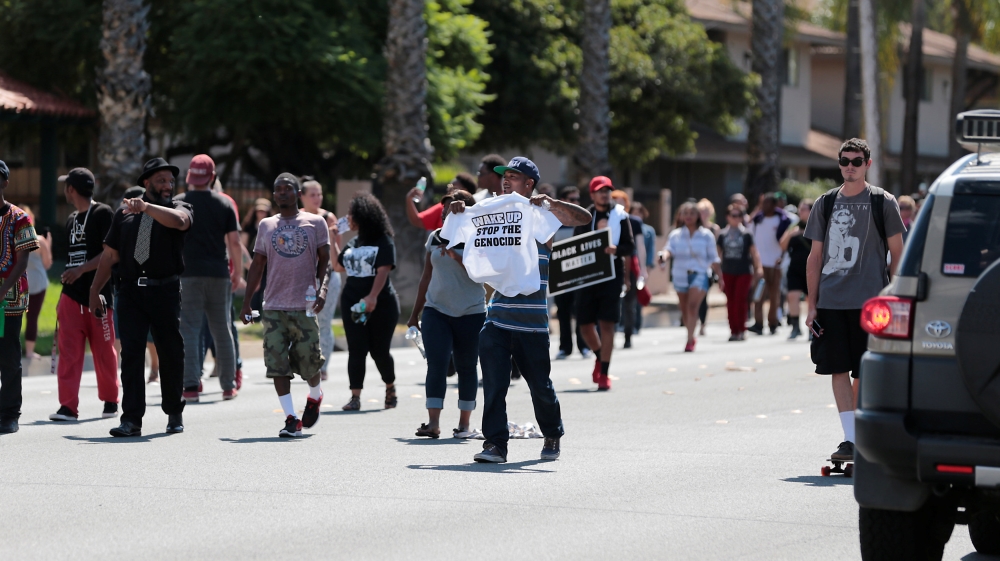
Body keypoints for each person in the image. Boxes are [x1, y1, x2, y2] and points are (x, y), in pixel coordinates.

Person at [442, 156, 590, 462]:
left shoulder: (540, 219)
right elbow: (457, 224)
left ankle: (552, 432)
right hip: (497, 319)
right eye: (504, 176)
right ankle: (495, 444)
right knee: (494, 386)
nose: (506, 180)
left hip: (532, 324)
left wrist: (549, 204)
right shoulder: (494, 213)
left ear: (529, 183)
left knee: (541, 387)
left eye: (514, 176)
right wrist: (455, 209)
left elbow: (583, 217)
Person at [804, 138, 905, 462]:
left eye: (856, 161)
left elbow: (898, 255)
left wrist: (894, 298)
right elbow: (815, 258)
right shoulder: (825, 202)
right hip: (832, 301)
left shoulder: (883, 201)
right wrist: (812, 304)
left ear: (868, 164)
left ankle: (858, 434)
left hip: (871, 303)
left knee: (863, 370)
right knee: (837, 368)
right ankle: (850, 438)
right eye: (844, 160)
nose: (849, 166)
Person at [89, 158, 193, 437]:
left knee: (170, 352)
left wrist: (147, 207)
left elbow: (181, 223)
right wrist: (94, 290)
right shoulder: (124, 213)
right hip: (131, 291)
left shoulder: (179, 207)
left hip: (165, 291)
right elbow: (111, 255)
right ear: (146, 183)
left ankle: (174, 412)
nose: (168, 186)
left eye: (171, 181)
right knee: (132, 355)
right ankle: (131, 419)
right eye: (161, 180)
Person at [241, 174, 330, 437]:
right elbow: (257, 264)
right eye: (277, 189)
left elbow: (325, 260)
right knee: (276, 363)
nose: (282, 193)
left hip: (304, 305)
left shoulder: (315, 222)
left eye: (287, 189)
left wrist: (321, 290)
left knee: (310, 363)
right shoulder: (267, 225)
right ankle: (292, 418)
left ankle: (315, 395)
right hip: (274, 305)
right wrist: (247, 302)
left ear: (297, 192)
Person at [407, 189, 485, 439]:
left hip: (471, 312)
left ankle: (464, 425)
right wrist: (414, 314)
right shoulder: (435, 238)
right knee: (436, 365)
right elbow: (426, 277)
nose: (446, 213)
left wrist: (456, 256)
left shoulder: (478, 237)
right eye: (444, 210)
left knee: (467, 366)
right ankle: (433, 423)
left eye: (452, 208)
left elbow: (483, 274)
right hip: (436, 311)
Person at [48, 168, 120, 422]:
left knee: (104, 351)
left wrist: (80, 270)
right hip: (71, 297)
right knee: (69, 353)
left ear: (71, 189)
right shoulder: (70, 219)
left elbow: (111, 254)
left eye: (66, 186)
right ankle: (68, 407)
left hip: (98, 295)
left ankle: (111, 400)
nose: (64, 190)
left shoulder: (103, 214)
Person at [173, 155, 242, 402]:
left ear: (190, 177)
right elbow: (234, 242)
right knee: (222, 328)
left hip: (188, 273)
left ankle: (191, 385)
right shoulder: (224, 204)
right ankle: (228, 385)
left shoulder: (178, 203)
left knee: (189, 328)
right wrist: (239, 273)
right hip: (218, 273)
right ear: (212, 177)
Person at [336, 193, 399, 411]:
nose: (348, 218)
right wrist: (334, 236)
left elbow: (383, 271)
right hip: (352, 301)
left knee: (379, 351)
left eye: (352, 215)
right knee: (356, 348)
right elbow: (338, 266)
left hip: (381, 303)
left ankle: (390, 386)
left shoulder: (384, 240)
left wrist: (372, 296)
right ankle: (355, 397)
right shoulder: (353, 242)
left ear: (363, 216)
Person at [572, 176, 634, 390]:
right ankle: (600, 356)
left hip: (611, 274)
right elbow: (575, 245)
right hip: (588, 275)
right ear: (592, 194)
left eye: (607, 190)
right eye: (600, 191)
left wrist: (617, 250)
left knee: (608, 323)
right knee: (585, 325)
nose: (604, 194)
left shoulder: (620, 215)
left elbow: (630, 246)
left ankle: (605, 372)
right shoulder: (583, 216)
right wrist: (595, 233)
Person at [0, 159, 40, 434]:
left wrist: (1, 292)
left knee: (9, 358)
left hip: (10, 301)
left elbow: (22, 261)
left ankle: (10, 413)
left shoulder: (19, 217)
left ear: (4, 182)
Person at [657, 202, 723, 352]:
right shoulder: (676, 234)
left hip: (699, 273)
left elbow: (714, 258)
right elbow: (668, 250)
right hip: (680, 275)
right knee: (685, 308)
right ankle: (691, 334)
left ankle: (689, 340)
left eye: (692, 213)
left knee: (693, 306)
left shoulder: (706, 235)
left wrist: (720, 277)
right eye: (685, 213)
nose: (688, 216)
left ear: (698, 216)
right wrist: (663, 257)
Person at [300, 178, 342, 382]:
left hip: (326, 277)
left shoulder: (328, 217)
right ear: (302, 196)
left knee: (324, 322)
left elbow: (337, 255)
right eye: (312, 194)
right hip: (302, 278)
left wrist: (332, 237)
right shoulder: (295, 217)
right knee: (303, 320)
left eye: (319, 194)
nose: (317, 198)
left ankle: (323, 366)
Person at [552, 186, 589, 360]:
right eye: (572, 200)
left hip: (580, 274)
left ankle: (584, 346)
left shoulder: (583, 221)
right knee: (563, 311)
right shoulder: (552, 222)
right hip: (559, 276)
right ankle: (565, 347)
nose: (576, 203)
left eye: (577, 200)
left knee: (581, 311)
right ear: (563, 201)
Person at [748, 193, 791, 335]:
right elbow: (749, 233)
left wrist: (782, 257)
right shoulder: (757, 220)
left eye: (767, 203)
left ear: (774, 205)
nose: (764, 206)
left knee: (774, 294)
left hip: (776, 262)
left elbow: (786, 242)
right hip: (760, 264)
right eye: (763, 203)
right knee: (759, 294)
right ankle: (758, 323)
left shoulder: (783, 220)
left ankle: (772, 322)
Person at [717, 205, 762, 341]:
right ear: (728, 217)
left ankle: (741, 329)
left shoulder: (746, 234)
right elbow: (718, 255)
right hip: (727, 271)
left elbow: (754, 253)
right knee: (730, 301)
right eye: (733, 216)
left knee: (740, 300)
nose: (736, 219)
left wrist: (758, 268)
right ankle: (733, 330)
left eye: (739, 216)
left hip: (744, 271)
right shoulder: (722, 234)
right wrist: (717, 274)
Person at [612, 190, 645, 348]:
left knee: (629, 304)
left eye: (622, 201)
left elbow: (639, 247)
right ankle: (607, 337)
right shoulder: (605, 219)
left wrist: (643, 270)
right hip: (609, 266)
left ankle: (628, 336)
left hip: (630, 266)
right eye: (615, 201)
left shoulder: (634, 222)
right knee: (610, 303)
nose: (619, 204)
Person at [780, 199, 813, 340]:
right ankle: (795, 327)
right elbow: (782, 245)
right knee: (792, 296)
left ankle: (812, 328)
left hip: (811, 268)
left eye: (804, 209)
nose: (801, 211)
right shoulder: (794, 226)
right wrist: (791, 234)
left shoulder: (817, 225)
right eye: (800, 208)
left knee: (810, 298)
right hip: (795, 268)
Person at [21, 206, 51, 360]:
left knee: (15, 318)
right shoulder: (39, 240)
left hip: (21, 284)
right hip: (38, 284)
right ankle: (29, 351)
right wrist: (49, 243)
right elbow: (47, 263)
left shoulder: (13, 239)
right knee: (32, 318)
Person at [630, 202, 656, 335]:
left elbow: (649, 249)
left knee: (639, 296)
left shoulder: (648, 230)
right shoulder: (627, 225)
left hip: (641, 267)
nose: (637, 215)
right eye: (634, 212)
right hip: (629, 265)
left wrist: (647, 267)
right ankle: (626, 325)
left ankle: (637, 325)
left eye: (639, 212)